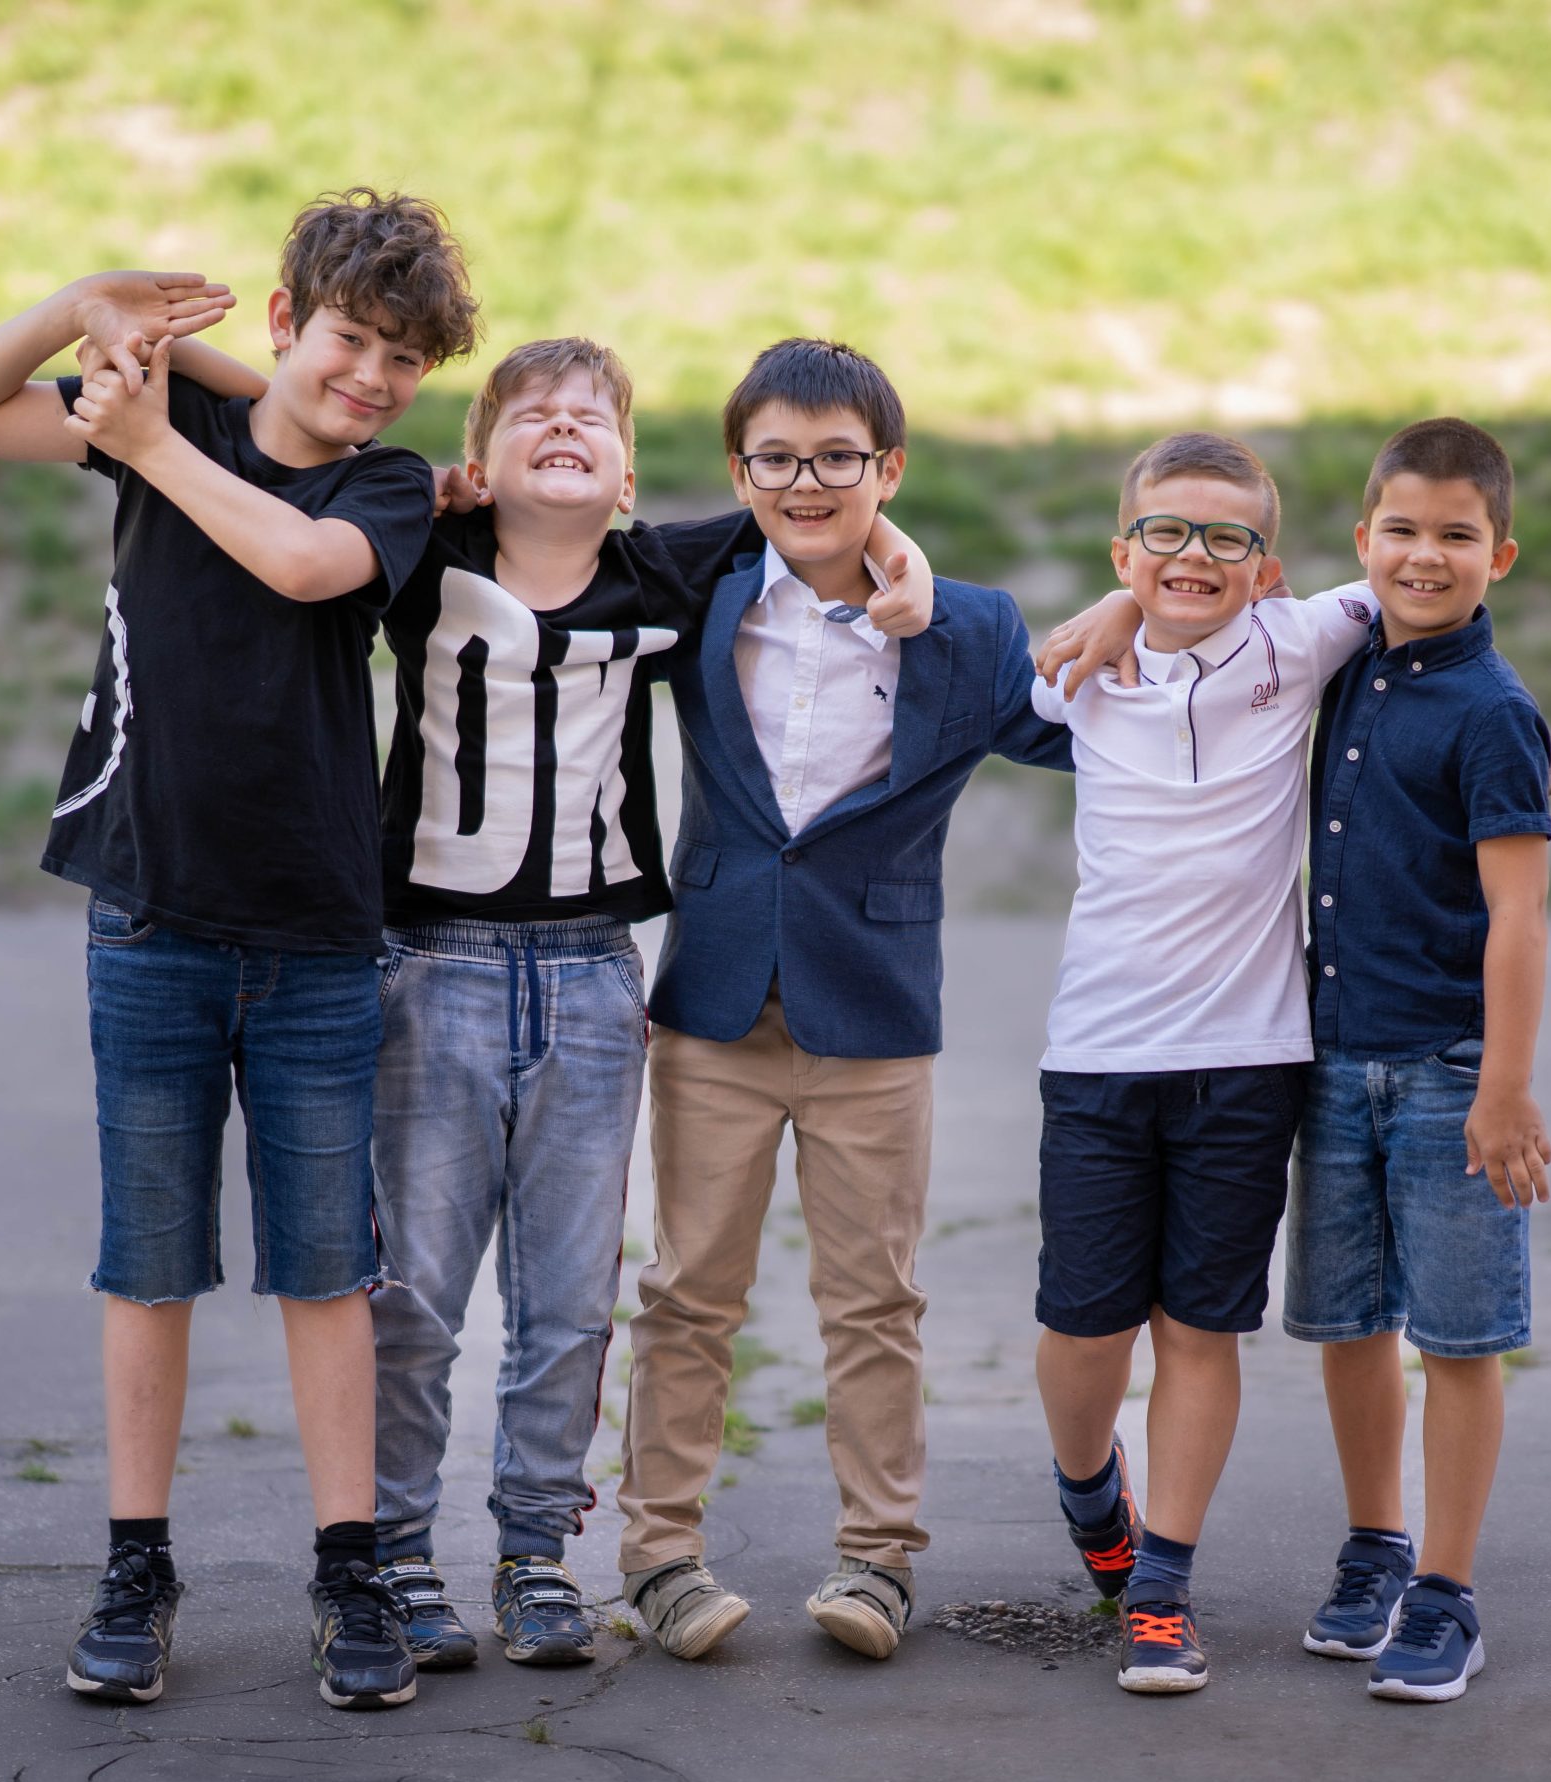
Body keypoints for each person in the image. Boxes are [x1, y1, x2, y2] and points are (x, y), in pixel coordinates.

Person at [156, 334, 932, 1673]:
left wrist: (897, 544)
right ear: (475, 464)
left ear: (628, 475)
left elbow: (815, 508)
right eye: (530, 413)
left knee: (569, 1302)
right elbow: (317, 453)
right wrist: (407, 476)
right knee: (414, 1295)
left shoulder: (665, 572)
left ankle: (534, 1552)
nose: (563, 424)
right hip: (432, 965)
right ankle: (397, 1552)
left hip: (590, 976)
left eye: (591, 416)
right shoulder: (422, 556)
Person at [0, 187, 479, 1713]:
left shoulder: (385, 483)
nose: (373, 377)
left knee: (326, 1269)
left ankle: (349, 1566)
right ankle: (135, 1564)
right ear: (286, 318)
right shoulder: (174, 417)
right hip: (149, 913)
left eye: (404, 359)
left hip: (316, 933)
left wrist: (151, 434)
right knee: (148, 1262)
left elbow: (301, 565)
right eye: (350, 340)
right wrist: (78, 303)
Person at [617, 338, 1072, 1664]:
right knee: (687, 1291)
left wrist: (1133, 628)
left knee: (874, 1300)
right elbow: (567, 557)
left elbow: (1097, 728)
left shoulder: (970, 628)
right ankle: (658, 1554)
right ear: (738, 470)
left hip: (871, 1010)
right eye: (775, 458)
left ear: (891, 467)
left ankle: (877, 1560)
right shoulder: (700, 590)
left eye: (836, 459)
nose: (804, 482)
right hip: (713, 1002)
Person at [1025, 433, 1376, 1695]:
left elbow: (1426, 575)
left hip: (1249, 1054)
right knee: (1083, 1328)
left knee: (1199, 1326)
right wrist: (1113, 608)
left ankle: (1162, 1587)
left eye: (1227, 538)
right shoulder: (1072, 673)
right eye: (1164, 533)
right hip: (1100, 1051)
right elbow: (923, 618)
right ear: (1122, 551)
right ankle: (1088, 1486)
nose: (1194, 556)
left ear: (1267, 568)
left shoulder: (1302, 637)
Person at [1284, 416, 1551, 1702]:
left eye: (1456, 534)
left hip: (1450, 1070)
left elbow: (1519, 914)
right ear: (1362, 541)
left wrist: (1502, 1085)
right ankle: (1376, 1544)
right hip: (1331, 1058)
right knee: (1349, 1324)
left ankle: (1446, 1590)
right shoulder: (1346, 664)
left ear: (1500, 553)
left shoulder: (1493, 712)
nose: (1425, 555)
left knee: (1456, 1335)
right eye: (1401, 529)